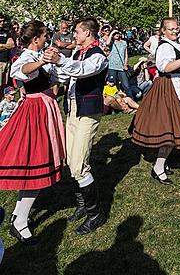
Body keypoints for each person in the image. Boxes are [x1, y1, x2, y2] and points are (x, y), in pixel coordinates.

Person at [0, 20, 65, 245]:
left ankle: (19, 215)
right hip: (35, 111)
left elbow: (56, 79)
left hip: (45, 107)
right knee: (35, 164)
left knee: (36, 164)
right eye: (45, 35)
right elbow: (22, 72)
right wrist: (41, 63)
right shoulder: (27, 58)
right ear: (36, 38)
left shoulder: (41, 56)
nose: (47, 38)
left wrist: (53, 62)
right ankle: (20, 223)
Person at [45, 17, 108, 235]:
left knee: (80, 164)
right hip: (72, 108)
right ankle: (83, 205)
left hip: (88, 111)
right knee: (71, 160)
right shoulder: (79, 53)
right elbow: (68, 75)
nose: (74, 36)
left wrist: (61, 61)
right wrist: (50, 67)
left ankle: (95, 214)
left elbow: (82, 70)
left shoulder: (98, 55)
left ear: (88, 33)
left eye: (78, 32)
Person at [131, 17, 180, 184]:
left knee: (173, 128)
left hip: (177, 84)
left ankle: (161, 164)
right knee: (171, 128)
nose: (175, 31)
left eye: (176, 28)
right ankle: (158, 167)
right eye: (171, 29)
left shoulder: (173, 44)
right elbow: (164, 67)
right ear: (163, 31)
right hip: (169, 86)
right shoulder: (165, 46)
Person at [105, 29, 136, 99]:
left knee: (126, 85)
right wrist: (112, 33)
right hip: (112, 66)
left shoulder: (124, 43)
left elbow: (126, 54)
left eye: (117, 33)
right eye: (115, 34)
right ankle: (117, 100)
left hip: (121, 67)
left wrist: (125, 64)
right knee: (112, 84)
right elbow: (107, 43)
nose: (116, 35)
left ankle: (131, 99)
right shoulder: (112, 43)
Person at [0, 15, 15, 87]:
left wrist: (1, 46)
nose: (2, 23)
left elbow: (12, 45)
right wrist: (6, 46)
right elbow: (9, 45)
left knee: (5, 86)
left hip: (6, 61)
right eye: (0, 21)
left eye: (3, 21)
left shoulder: (5, 31)